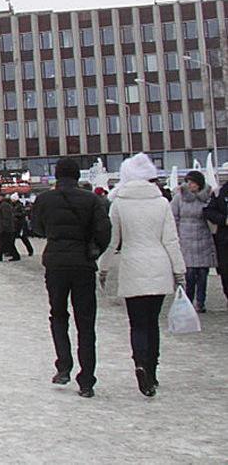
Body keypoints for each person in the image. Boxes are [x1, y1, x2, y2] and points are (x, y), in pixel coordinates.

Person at [98, 153, 185, 397]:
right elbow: (171, 240)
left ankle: (139, 364)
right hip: (159, 266)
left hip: (133, 265)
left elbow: (112, 242)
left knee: (136, 323)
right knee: (152, 323)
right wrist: (179, 270)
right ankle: (152, 370)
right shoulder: (161, 203)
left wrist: (102, 268)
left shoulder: (120, 203)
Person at [31, 157, 111, 398]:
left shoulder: (44, 199)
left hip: (56, 260)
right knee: (86, 321)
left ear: (56, 175)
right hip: (83, 263)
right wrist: (94, 249)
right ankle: (87, 379)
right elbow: (105, 230)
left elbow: (37, 228)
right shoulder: (92, 200)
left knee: (58, 314)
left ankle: (63, 366)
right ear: (78, 176)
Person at [171, 170, 216, 313]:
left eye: (192, 182)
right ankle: (187, 301)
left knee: (203, 274)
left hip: (204, 239)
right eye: (188, 182)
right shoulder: (179, 198)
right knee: (189, 274)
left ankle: (201, 302)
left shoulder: (208, 197)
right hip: (186, 239)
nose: (189, 185)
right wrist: (176, 235)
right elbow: (174, 217)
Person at [203, 177, 228, 308]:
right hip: (224, 239)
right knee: (225, 270)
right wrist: (224, 220)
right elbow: (208, 211)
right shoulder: (220, 192)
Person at [0, 194, 18, 262]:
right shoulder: (4, 205)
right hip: (5, 227)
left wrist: (4, 227)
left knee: (3, 242)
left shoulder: (4, 205)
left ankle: (0, 256)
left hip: (5, 228)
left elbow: (6, 217)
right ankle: (14, 255)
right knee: (7, 243)